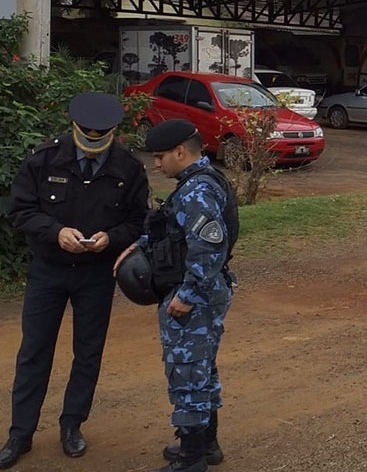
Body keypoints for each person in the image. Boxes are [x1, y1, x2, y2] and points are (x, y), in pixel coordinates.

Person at [1, 92, 149, 469]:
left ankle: (72, 426)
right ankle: (20, 433)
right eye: (88, 136)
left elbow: (137, 220)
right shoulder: (45, 158)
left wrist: (110, 239)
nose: (95, 144)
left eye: (103, 137)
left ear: (114, 133)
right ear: (74, 128)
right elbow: (19, 210)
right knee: (34, 351)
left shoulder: (129, 167)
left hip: (95, 275)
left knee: (88, 352)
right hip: (48, 271)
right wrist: (55, 231)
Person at [118, 119, 238, 472]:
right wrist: (138, 246)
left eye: (160, 157)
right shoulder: (195, 184)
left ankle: (192, 458)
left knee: (187, 372)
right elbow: (173, 231)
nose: (156, 165)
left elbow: (209, 248)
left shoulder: (197, 191)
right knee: (199, 368)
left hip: (195, 295)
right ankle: (207, 445)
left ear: (180, 152)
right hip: (200, 290)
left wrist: (187, 294)